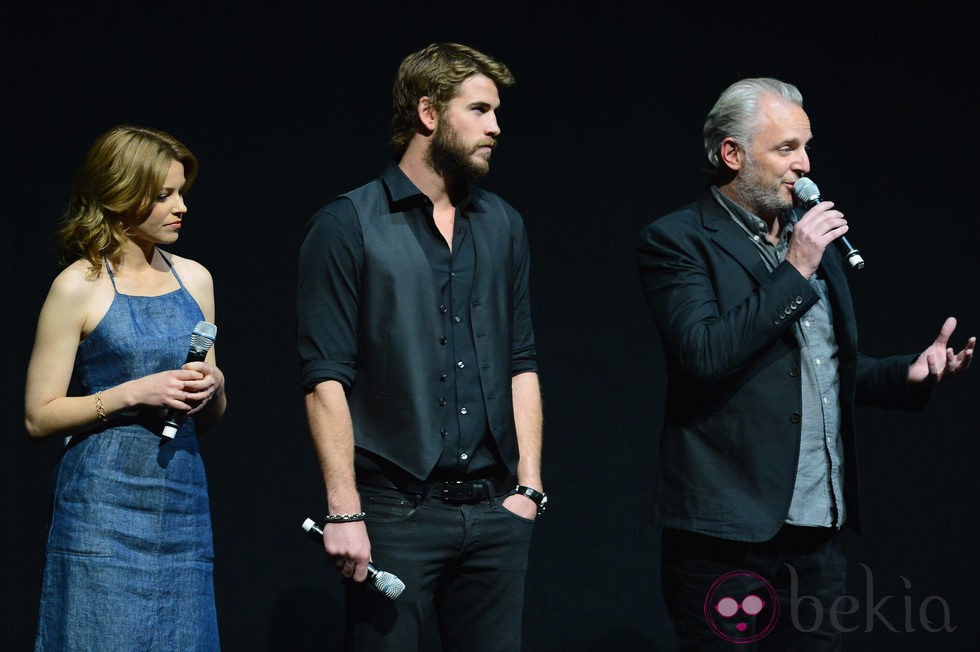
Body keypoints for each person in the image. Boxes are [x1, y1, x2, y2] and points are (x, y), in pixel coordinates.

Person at [636, 77, 974, 650]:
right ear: (732, 154)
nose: (805, 165)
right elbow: (704, 354)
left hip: (818, 534)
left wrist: (906, 374)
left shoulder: (806, 242)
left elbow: (821, 369)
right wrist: (794, 269)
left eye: (806, 146)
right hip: (728, 538)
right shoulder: (679, 241)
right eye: (786, 148)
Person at [297, 42, 544, 651]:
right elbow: (325, 375)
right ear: (429, 113)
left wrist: (529, 487)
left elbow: (521, 361)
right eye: (480, 110)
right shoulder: (347, 223)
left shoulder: (502, 223)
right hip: (394, 512)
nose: (496, 127)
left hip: (494, 510)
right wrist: (345, 510)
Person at [25, 125, 227, 650]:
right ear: (120, 194)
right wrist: (133, 393)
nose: (180, 206)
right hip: (102, 508)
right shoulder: (78, 285)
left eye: (181, 192)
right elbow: (37, 416)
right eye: (163, 195)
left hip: (181, 502)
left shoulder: (195, 280)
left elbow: (210, 415)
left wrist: (215, 386)